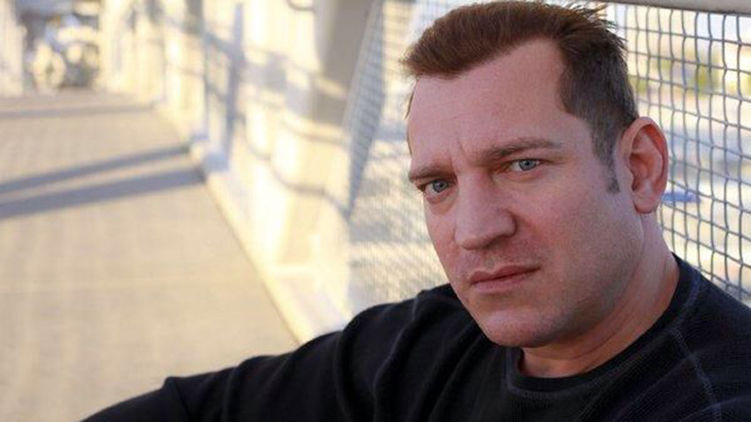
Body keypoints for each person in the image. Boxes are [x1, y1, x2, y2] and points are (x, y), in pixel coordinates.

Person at [84, 2, 751, 421]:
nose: (475, 231)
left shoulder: (713, 400)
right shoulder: (435, 338)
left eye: (522, 165)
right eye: (437, 185)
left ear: (640, 168)